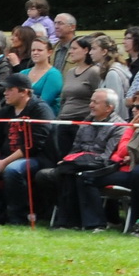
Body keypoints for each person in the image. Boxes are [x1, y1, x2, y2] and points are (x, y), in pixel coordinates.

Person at [0, 72, 56, 224]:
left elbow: (33, 145)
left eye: (9, 89)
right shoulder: (5, 111)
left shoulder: (40, 110)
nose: (5, 93)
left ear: (24, 91)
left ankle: (18, 217)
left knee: (12, 170)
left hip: (34, 158)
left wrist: (4, 163)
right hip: (4, 157)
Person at [77, 90, 139, 230]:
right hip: (123, 168)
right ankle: (104, 221)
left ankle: (97, 224)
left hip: (134, 173)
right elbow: (119, 153)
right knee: (84, 176)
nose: (134, 110)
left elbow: (123, 150)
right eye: (133, 106)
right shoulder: (135, 124)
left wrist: (131, 129)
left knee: (88, 179)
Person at [49, 89, 127, 229]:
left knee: (71, 171)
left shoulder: (118, 127)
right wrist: (70, 159)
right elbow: (76, 148)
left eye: (95, 102)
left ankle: (81, 223)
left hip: (103, 165)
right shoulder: (87, 122)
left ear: (109, 107)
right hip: (80, 162)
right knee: (64, 172)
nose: (90, 105)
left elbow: (106, 157)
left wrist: (75, 161)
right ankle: (71, 222)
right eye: (91, 101)